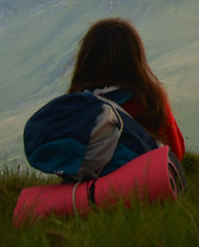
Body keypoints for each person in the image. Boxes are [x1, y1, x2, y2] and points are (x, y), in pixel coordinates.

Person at [68, 17, 185, 162]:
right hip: (146, 174)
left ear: (87, 58)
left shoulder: (75, 105)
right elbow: (177, 152)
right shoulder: (148, 98)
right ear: (134, 58)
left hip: (89, 176)